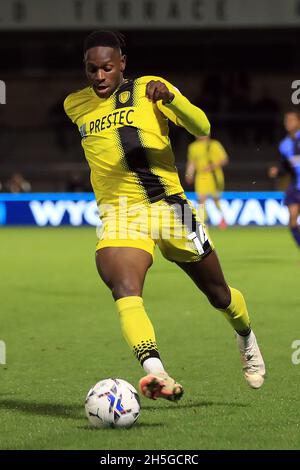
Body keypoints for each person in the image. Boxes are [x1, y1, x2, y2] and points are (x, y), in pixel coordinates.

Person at [64, 30, 265, 402]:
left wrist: (172, 98)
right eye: (92, 69)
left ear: (122, 63)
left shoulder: (150, 89)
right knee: (124, 288)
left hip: (171, 207)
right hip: (120, 214)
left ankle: (246, 336)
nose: (99, 76)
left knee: (219, 294)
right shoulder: (75, 104)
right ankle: (156, 372)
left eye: (107, 67)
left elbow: (202, 127)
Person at [269, 109, 300, 249]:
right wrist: (277, 171)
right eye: (286, 120)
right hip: (295, 186)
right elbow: (285, 167)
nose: (288, 123)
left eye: (291, 120)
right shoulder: (284, 144)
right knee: (292, 221)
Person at [185, 136, 228, 228]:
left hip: (214, 175)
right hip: (201, 176)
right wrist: (189, 174)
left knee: (216, 198)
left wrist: (211, 167)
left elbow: (224, 160)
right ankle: (202, 222)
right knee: (201, 199)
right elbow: (192, 162)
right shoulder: (193, 146)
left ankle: (223, 219)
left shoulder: (214, 144)